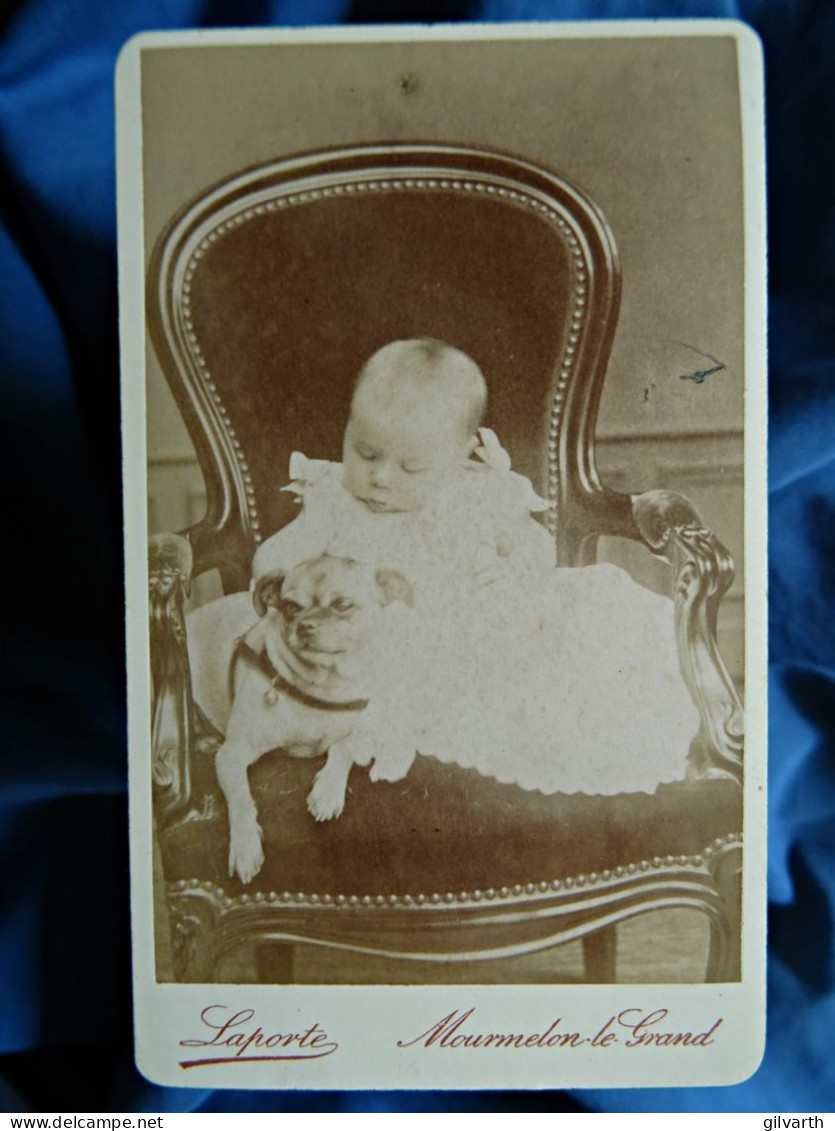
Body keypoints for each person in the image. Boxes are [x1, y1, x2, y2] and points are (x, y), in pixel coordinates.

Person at [249, 338, 700, 796]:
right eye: (365, 453)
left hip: (477, 625)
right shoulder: (335, 497)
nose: (381, 477)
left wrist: (517, 572)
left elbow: (534, 546)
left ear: (461, 454)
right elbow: (285, 550)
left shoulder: (478, 492)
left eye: (412, 467)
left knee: (590, 643)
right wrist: (277, 580)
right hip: (390, 645)